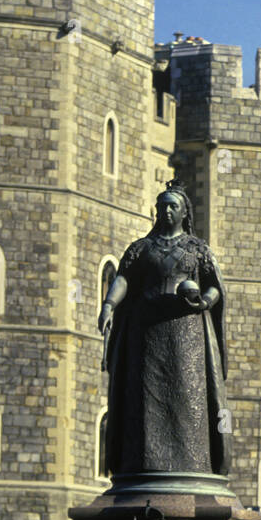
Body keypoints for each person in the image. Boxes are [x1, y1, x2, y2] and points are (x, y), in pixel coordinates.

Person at [99, 180, 231, 477]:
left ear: (184, 212)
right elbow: (124, 279)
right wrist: (109, 305)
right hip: (146, 334)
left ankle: (192, 466)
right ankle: (142, 464)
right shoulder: (141, 248)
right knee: (143, 400)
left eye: (172, 206)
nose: (166, 211)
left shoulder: (197, 249)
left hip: (187, 336)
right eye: (162, 206)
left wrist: (203, 303)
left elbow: (215, 287)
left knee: (188, 399)